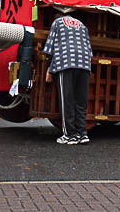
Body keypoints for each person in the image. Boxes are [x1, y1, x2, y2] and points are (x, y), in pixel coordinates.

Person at [42, 14, 93, 145]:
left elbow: (50, 47)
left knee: (67, 100)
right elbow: (89, 49)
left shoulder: (57, 22)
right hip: (84, 63)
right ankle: (82, 134)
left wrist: (50, 68)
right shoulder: (82, 25)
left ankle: (70, 135)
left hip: (66, 61)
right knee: (81, 101)